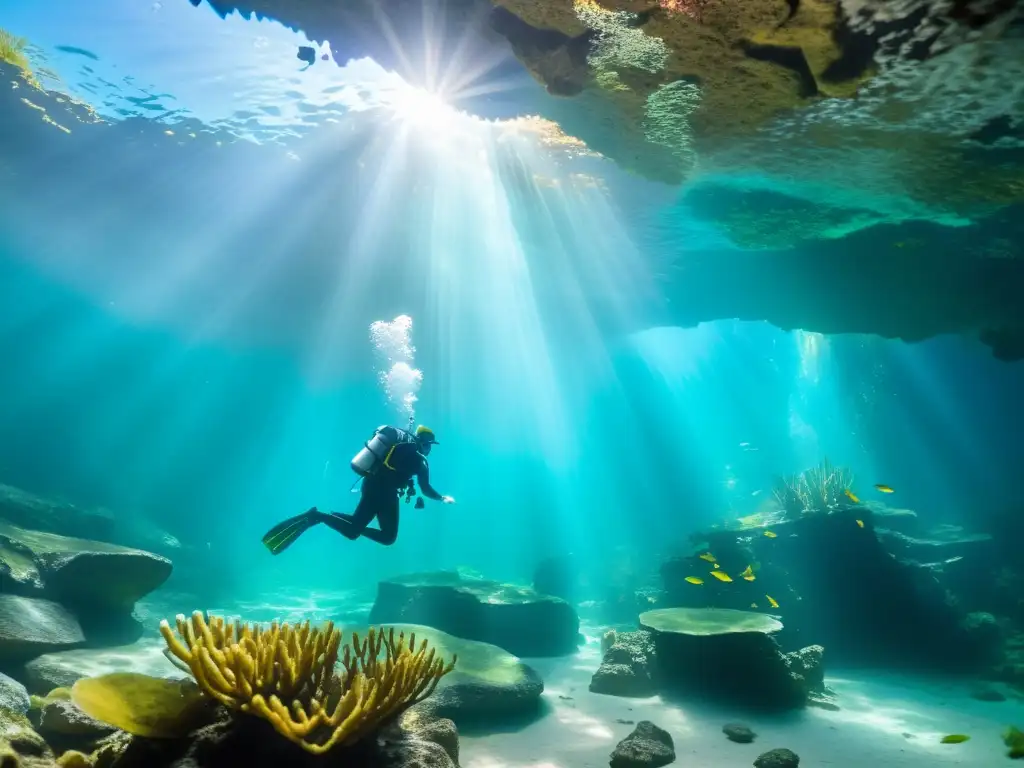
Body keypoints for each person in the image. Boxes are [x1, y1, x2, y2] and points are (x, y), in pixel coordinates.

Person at [261, 424, 454, 554]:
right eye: (429, 446)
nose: (429, 450)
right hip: (386, 495)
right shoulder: (420, 460)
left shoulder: (399, 445)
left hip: (370, 484)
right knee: (386, 537)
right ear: (424, 443)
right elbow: (426, 489)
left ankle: (321, 516)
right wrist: (442, 498)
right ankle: (318, 516)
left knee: (354, 530)